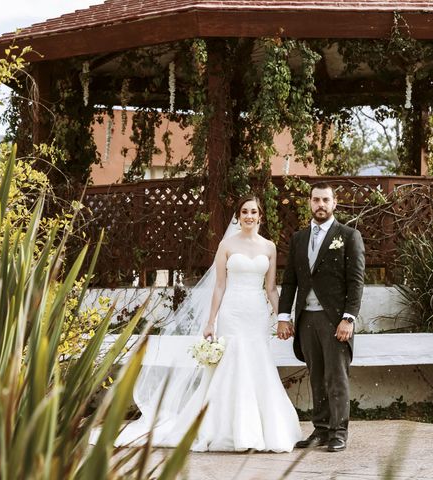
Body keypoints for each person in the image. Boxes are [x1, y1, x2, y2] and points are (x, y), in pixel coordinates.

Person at [115, 194, 301, 452]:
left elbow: (271, 289)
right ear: (238, 216)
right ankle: (223, 430)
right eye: (244, 211)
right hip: (232, 312)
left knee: (258, 363)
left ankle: (260, 430)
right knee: (232, 365)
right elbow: (219, 286)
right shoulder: (226, 245)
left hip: (256, 314)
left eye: (253, 212)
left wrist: (283, 318)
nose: (249, 216)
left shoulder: (269, 247)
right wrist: (211, 321)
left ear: (261, 216)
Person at [278, 182, 365, 452]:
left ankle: (339, 432)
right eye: (316, 200)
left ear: (334, 203)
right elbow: (290, 280)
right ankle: (321, 429)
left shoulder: (349, 236)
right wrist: (284, 315)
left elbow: (356, 281)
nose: (321, 205)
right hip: (307, 320)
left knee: (336, 377)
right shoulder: (299, 239)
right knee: (316, 376)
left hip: (335, 320)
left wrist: (348, 318)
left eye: (326, 200)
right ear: (309, 202)